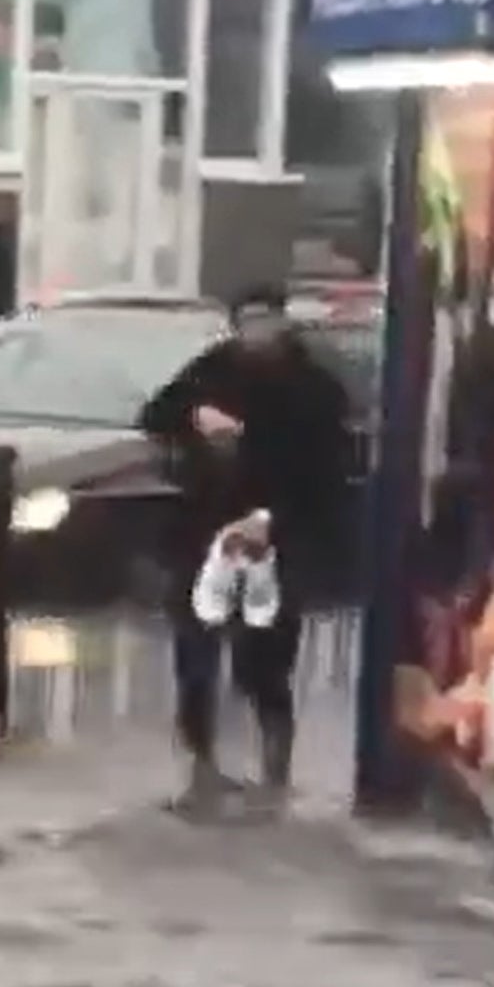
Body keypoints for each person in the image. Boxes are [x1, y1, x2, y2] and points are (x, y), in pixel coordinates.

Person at [135, 284, 353, 797]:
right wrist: (196, 417)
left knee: (266, 655)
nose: (257, 335)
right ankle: (200, 766)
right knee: (195, 650)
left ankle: (275, 766)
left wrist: (275, 523)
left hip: (276, 536)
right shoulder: (211, 373)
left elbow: (326, 476)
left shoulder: (314, 388)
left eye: (266, 323)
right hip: (205, 529)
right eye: (247, 323)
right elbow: (155, 414)